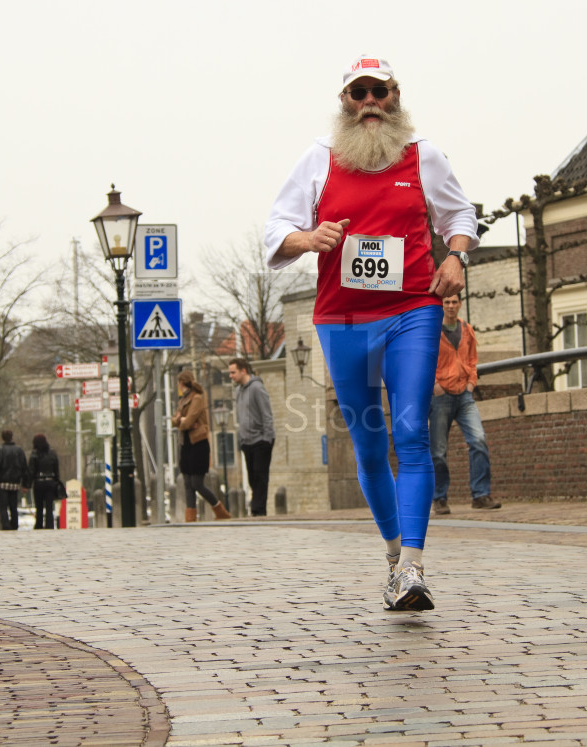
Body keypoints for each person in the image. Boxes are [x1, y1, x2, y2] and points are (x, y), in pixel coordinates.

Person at [264, 54, 479, 611]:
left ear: (395, 96)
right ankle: (391, 556)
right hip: (343, 319)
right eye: (358, 93)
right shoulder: (319, 160)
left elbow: (461, 216)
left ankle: (413, 566)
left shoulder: (423, 156)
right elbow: (275, 231)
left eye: (379, 93)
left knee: (410, 435)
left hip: (412, 308)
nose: (369, 105)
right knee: (367, 442)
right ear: (344, 102)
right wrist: (309, 239)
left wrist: (454, 258)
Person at [430, 295, 502, 515]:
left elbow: (472, 359)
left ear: (460, 304)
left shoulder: (466, 329)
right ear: (441, 305)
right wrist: (434, 384)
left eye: (454, 302)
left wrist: (472, 382)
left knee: (479, 439)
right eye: (447, 302)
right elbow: (424, 359)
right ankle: (439, 498)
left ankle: (480, 495)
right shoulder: (432, 332)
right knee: (438, 451)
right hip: (440, 396)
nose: (451, 306)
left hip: (464, 395)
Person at [172, 369, 231, 522]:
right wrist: (180, 420)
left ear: (182, 383)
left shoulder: (197, 399)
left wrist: (182, 421)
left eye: (178, 383)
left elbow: (188, 421)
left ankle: (220, 510)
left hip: (198, 445)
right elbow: (175, 420)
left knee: (197, 483)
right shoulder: (182, 401)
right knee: (187, 484)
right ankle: (190, 518)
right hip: (186, 444)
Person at [227, 358, 275, 517]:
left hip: (261, 440)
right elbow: (241, 417)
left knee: (260, 477)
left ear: (243, 371)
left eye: (233, 372)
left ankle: (258, 511)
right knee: (252, 478)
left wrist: (267, 438)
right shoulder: (238, 391)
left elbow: (266, 414)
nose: (231, 376)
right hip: (247, 441)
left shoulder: (257, 388)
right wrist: (241, 439)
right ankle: (256, 509)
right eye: (229, 373)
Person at [0, 429, 29, 530]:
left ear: (2, 438)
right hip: (15, 483)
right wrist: (25, 483)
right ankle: (14, 524)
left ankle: (5, 524)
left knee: (3, 506)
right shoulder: (19, 451)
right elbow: (24, 467)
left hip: (1, 483)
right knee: (13, 506)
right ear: (12, 437)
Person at [28, 433, 61, 530]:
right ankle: (49, 525)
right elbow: (56, 469)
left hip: (39, 482)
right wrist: (57, 481)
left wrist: (28, 484)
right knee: (49, 506)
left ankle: (39, 524)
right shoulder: (52, 453)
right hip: (50, 482)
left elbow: (31, 470)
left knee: (39, 506)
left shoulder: (34, 454)